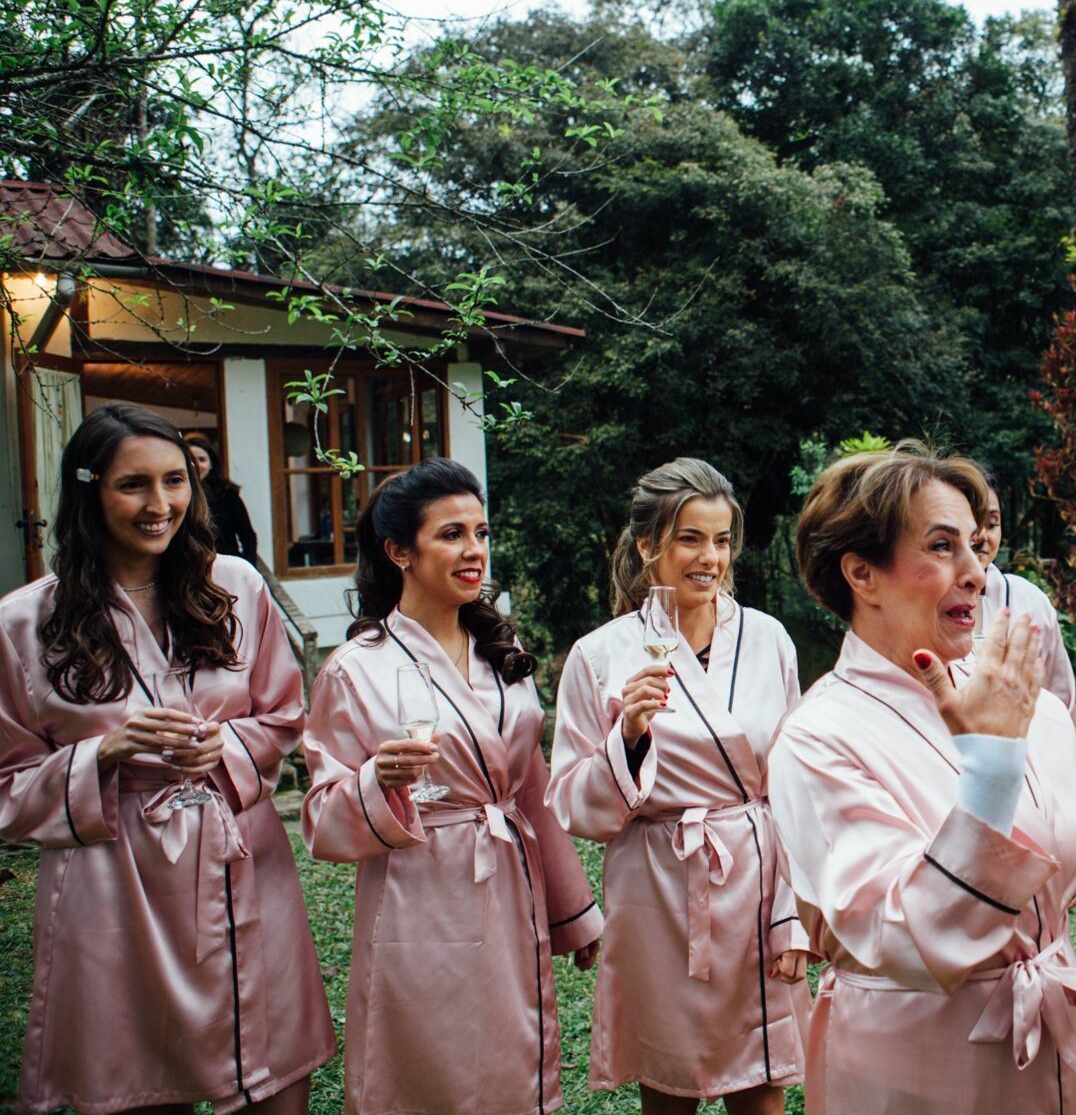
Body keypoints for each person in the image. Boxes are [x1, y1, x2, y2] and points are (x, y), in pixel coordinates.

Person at [766, 443, 1076, 1113]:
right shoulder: (818, 738)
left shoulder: (1015, 692)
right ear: (862, 573)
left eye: (976, 546)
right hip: (917, 1069)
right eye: (943, 547)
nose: (976, 572)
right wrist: (992, 770)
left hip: (1059, 1053)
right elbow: (911, 938)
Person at [0, 402, 334, 1114]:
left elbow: (282, 715)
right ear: (88, 489)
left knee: (274, 1071)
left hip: (241, 854)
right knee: (138, 1081)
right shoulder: (25, 622)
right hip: (113, 879)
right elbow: (7, 783)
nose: (161, 506)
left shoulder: (236, 587)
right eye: (134, 486)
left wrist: (229, 743)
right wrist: (104, 753)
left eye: (175, 481)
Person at [301, 457, 603, 1115]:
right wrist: (374, 781)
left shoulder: (503, 656)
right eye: (452, 534)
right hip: (418, 893)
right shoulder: (356, 670)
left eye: (482, 532)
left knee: (511, 1063)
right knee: (424, 1070)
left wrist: (573, 914)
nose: (474, 551)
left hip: (509, 885)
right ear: (398, 551)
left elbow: (530, 789)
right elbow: (322, 817)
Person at [547, 458, 811, 1113]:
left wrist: (791, 915)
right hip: (657, 889)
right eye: (691, 538)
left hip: (754, 878)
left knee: (761, 1087)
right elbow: (573, 801)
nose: (711, 558)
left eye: (721, 540)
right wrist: (629, 739)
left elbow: (795, 791)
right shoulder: (600, 655)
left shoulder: (768, 640)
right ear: (648, 545)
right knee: (668, 1091)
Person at [970, 468, 1076, 714]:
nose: (982, 535)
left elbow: (1061, 699)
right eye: (971, 522)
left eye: (992, 523)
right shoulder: (920, 602)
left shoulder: (1030, 601)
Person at [185, 433, 259, 563]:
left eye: (202, 459)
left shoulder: (227, 494)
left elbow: (248, 537)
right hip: (189, 569)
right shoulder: (177, 496)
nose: (196, 465)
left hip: (227, 568)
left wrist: (249, 568)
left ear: (211, 464)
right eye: (190, 460)